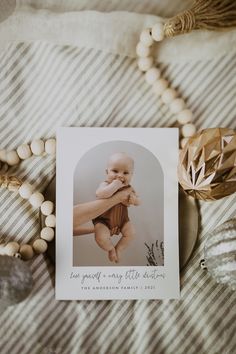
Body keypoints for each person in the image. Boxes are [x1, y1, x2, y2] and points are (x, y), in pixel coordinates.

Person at [93, 152, 140, 263]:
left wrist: (135, 200)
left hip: (122, 220)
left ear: (131, 175)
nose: (120, 175)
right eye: (115, 171)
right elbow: (100, 194)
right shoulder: (105, 185)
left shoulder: (129, 188)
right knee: (100, 237)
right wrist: (114, 185)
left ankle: (119, 248)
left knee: (131, 233)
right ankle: (110, 249)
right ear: (107, 172)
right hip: (103, 220)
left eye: (125, 173)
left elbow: (139, 201)